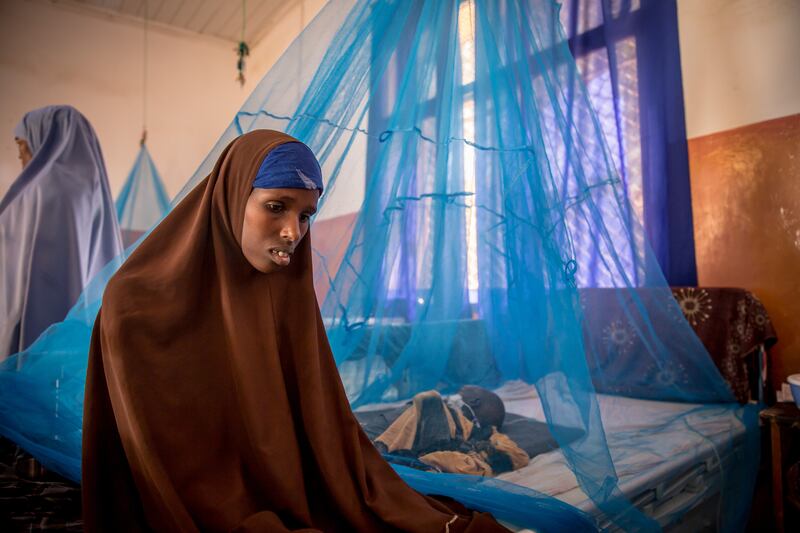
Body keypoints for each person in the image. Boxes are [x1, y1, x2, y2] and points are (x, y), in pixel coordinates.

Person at [81, 130, 509, 532]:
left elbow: (313, 417)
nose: (293, 233)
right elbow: (154, 463)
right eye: (275, 207)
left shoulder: (282, 292)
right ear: (232, 197)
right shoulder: (136, 307)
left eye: (306, 215)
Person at [0, 105, 123, 361]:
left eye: (22, 145)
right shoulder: (93, 187)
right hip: (83, 319)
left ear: (45, 140)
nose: (21, 156)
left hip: (35, 319)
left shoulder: (41, 189)